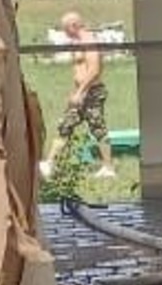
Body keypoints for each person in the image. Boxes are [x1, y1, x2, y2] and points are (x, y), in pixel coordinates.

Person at [41, 11, 116, 179]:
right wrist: (75, 92)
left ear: (73, 26)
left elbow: (94, 70)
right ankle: (49, 163)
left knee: (98, 128)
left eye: (65, 28)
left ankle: (108, 168)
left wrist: (81, 92)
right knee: (66, 125)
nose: (64, 32)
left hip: (92, 92)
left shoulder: (89, 41)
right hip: (81, 92)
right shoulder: (78, 43)